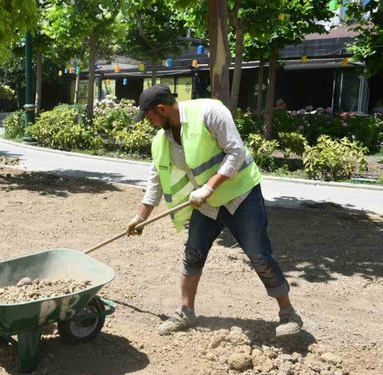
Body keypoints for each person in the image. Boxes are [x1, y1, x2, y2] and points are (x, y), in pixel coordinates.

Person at [125, 85, 302, 338]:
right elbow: (156, 180)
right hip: (206, 203)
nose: (149, 122)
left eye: (149, 117)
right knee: (193, 254)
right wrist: (140, 217)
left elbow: (236, 152)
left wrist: (208, 188)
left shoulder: (209, 112)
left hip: (241, 196)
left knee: (259, 255)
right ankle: (186, 312)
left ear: (161, 109)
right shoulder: (161, 140)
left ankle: (288, 314)